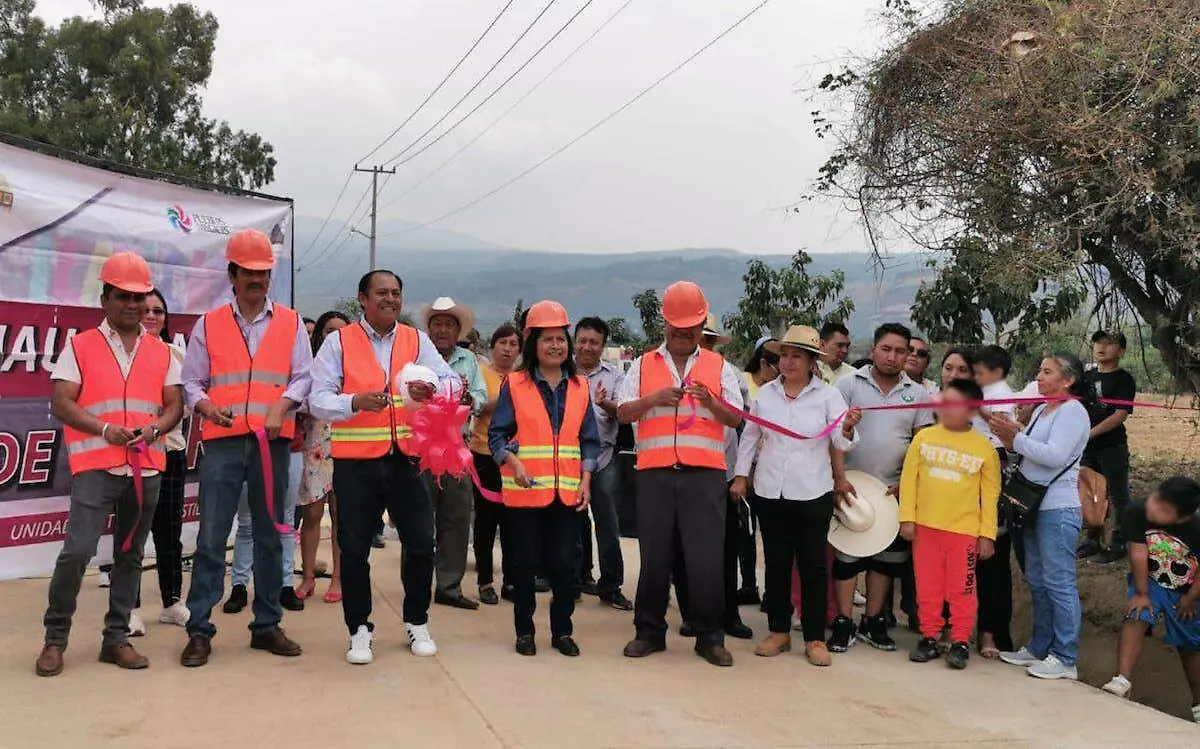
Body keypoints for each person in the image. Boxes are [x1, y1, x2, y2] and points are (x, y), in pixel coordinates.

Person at [36, 252, 184, 676]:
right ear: (105, 299)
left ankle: (115, 640)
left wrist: (154, 430)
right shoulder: (80, 346)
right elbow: (61, 402)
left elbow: (174, 405)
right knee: (76, 552)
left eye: (139, 298)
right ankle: (55, 640)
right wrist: (104, 430)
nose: (133, 305)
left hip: (146, 469)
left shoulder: (163, 352)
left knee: (131, 556)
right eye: (124, 296)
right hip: (96, 468)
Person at [180, 228, 313, 668]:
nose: (258, 279)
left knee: (273, 536)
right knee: (212, 537)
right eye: (249, 272)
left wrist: (284, 406)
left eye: (264, 272)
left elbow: (304, 377)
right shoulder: (209, 324)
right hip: (222, 444)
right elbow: (191, 382)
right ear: (232, 273)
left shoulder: (292, 323)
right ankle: (199, 629)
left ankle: (267, 624)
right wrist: (205, 407)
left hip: (273, 444)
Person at [309, 270, 454, 665]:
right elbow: (317, 399)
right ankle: (359, 629)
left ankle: (417, 620)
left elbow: (450, 380)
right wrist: (354, 403)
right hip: (357, 465)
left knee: (422, 544)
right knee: (354, 549)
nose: (390, 299)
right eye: (382, 293)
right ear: (362, 298)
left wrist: (433, 390)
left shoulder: (415, 339)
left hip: (409, 459)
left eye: (396, 293)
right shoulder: (339, 343)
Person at [618, 281, 744, 667]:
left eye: (691, 327)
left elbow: (736, 418)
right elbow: (623, 413)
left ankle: (709, 635)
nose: (683, 333)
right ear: (666, 325)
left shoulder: (720, 367)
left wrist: (712, 401)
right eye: (677, 326)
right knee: (655, 555)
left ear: (702, 325)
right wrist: (652, 400)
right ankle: (649, 632)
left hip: (704, 475)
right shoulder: (642, 365)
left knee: (705, 559)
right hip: (655, 473)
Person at [731, 325, 861, 666]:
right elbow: (750, 437)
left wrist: (847, 428)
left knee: (814, 566)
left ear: (811, 362)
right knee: (775, 564)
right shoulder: (766, 395)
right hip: (770, 491)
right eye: (784, 356)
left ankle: (815, 637)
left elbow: (841, 440)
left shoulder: (828, 396)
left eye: (796, 357)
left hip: (812, 492)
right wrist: (741, 476)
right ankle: (779, 631)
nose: (788, 362)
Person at [489, 301, 601, 656]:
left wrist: (586, 480)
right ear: (532, 343)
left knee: (564, 567)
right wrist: (512, 462)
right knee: (523, 566)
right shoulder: (516, 385)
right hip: (524, 494)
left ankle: (562, 632)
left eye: (561, 338)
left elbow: (589, 441)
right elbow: (497, 435)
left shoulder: (580, 386)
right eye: (547, 339)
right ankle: (525, 631)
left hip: (567, 494)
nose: (556, 345)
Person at [829, 323, 935, 653]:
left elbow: (923, 443)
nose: (893, 357)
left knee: (885, 561)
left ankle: (872, 621)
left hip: (893, 491)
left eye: (901, 351)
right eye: (886, 349)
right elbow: (832, 434)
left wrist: (907, 484)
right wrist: (838, 477)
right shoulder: (847, 385)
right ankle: (843, 622)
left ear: (909, 355)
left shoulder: (917, 395)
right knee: (847, 558)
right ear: (873, 349)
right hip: (851, 488)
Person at [989, 352, 1091, 680]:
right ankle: (1039, 646)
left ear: (1069, 379)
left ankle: (1065, 656)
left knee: (1059, 580)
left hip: (1057, 507)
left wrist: (1016, 437)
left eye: (1048, 372)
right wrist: (1013, 435)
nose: (1040, 376)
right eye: (1040, 371)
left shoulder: (1073, 411)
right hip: (1033, 504)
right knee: (1036, 577)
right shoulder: (1044, 410)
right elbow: (1027, 450)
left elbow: (1055, 455)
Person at [900, 379, 1001, 670]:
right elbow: (909, 481)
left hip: (964, 533)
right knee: (928, 586)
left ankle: (959, 640)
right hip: (926, 529)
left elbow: (989, 496)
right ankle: (929, 636)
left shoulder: (984, 449)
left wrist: (986, 535)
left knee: (962, 589)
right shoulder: (923, 438)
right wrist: (907, 517)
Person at [675, 317, 753, 641]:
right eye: (698, 337)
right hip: (679, 469)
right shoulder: (668, 370)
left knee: (725, 548)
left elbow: (744, 424)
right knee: (682, 547)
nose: (701, 345)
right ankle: (691, 613)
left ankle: (728, 613)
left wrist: (739, 476)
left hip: (720, 470)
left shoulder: (729, 373)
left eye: (707, 339)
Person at [1100, 477, 1200, 723]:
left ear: (1182, 518)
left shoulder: (1196, 527)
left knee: (1191, 643)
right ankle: (1121, 680)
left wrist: (1190, 598)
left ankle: (1198, 705)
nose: (1154, 509)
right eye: (1157, 499)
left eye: (1164, 509)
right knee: (1136, 613)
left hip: (1188, 588)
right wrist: (1142, 593)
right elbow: (1138, 551)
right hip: (1152, 580)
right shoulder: (1138, 510)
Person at [422, 296, 489, 610]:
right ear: (429, 327)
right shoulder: (417, 356)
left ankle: (449, 586)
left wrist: (464, 396)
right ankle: (418, 583)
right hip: (421, 447)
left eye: (449, 324)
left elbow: (481, 398)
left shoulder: (469, 361)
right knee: (419, 518)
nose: (443, 329)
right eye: (437, 323)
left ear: (459, 330)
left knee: (457, 517)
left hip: (457, 447)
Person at [140, 288, 191, 628]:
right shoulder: (123, 355)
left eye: (159, 311)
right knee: (132, 534)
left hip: (169, 451)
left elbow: (184, 406)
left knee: (169, 532)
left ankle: (172, 602)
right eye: (146, 310)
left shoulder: (175, 354)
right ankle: (128, 608)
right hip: (132, 456)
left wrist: (159, 424)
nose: (152, 316)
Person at [574, 317, 633, 610]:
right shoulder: (562, 372)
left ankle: (611, 585)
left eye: (593, 342)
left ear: (602, 345)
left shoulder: (614, 375)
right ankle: (574, 579)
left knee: (607, 521)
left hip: (604, 456)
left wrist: (605, 404)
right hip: (569, 458)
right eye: (582, 341)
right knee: (571, 522)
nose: (587, 347)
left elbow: (624, 412)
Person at [295, 311, 350, 604]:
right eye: (329, 330)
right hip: (315, 447)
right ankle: (308, 577)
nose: (334, 336)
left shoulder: (357, 367)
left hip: (348, 447)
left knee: (342, 517)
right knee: (312, 514)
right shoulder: (311, 367)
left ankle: (339, 578)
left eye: (341, 331)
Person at [971, 344, 1017, 657]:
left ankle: (990, 633)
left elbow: (1002, 436)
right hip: (961, 480)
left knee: (993, 562)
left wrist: (977, 409)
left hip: (990, 477)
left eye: (976, 371)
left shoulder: (999, 393)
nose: (972, 376)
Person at [471, 324, 522, 605]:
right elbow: (476, 406)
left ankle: (512, 580)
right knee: (486, 520)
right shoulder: (481, 374)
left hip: (515, 458)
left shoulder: (524, 378)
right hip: (483, 453)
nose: (507, 348)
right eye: (503, 342)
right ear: (493, 346)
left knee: (512, 521)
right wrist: (504, 397)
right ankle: (485, 581)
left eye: (513, 344)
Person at [1078, 330, 1137, 565]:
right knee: (1091, 492)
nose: (1101, 347)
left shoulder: (1124, 380)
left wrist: (1089, 434)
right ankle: (1093, 539)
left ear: (1121, 351)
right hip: (1087, 447)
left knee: (1117, 494)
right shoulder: (1086, 378)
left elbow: (1120, 415)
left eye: (1109, 343)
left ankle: (1119, 542)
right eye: (1098, 342)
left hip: (1112, 446)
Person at [735, 335, 780, 606]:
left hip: (772, 471)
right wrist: (744, 472)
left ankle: (773, 593)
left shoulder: (782, 389)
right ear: (763, 363)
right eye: (778, 362)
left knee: (774, 536)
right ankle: (749, 584)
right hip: (745, 467)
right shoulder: (742, 383)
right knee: (745, 531)